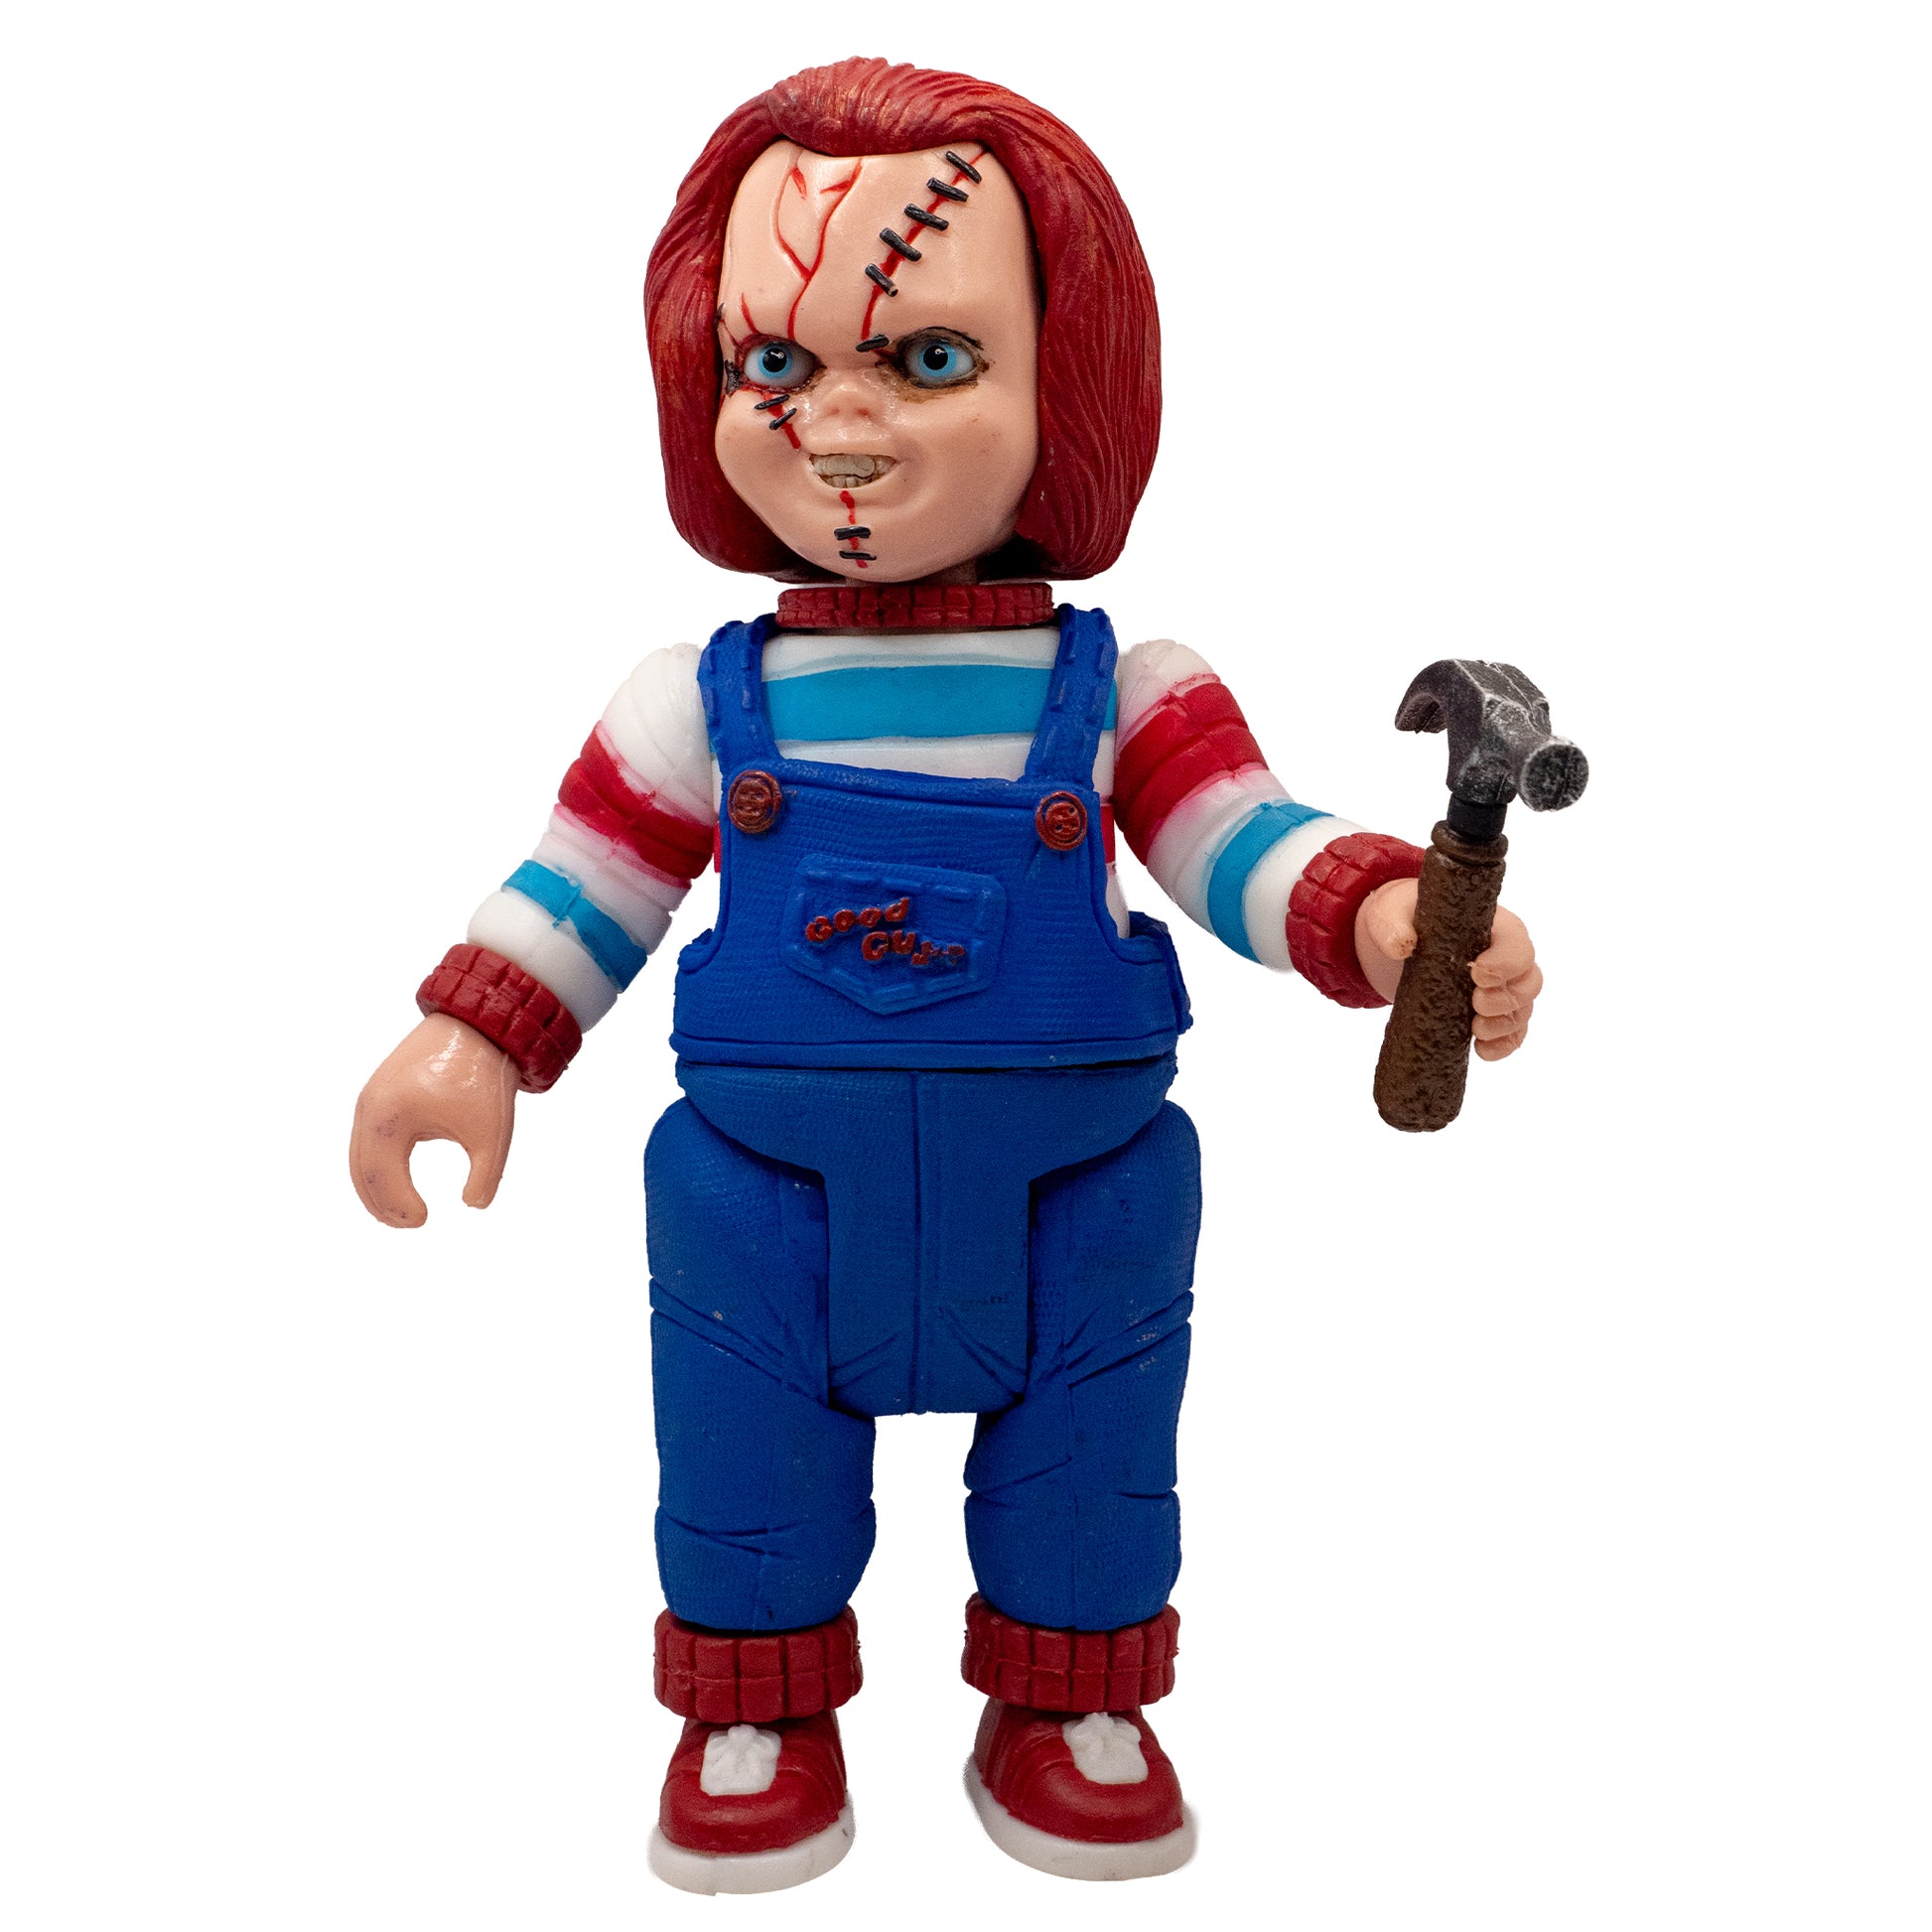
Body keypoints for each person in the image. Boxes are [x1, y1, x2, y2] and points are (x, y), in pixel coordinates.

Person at [349, 57, 1543, 1893]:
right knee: (739, 1460)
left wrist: (1387, 913)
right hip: (766, 1198)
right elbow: (579, 885)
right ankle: (754, 1705)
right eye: (774, 362)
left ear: (1071, 381)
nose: (838, 421)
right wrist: (469, 1035)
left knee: (1096, 1457)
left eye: (925, 359)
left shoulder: (1121, 693)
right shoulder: (698, 704)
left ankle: (1070, 1699)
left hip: (1076, 1189)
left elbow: (1240, 835)